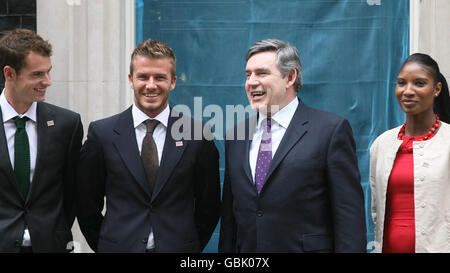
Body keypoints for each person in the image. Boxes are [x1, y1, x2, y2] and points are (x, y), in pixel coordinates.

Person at [219, 38, 367, 253]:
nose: (251, 82)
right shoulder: (236, 134)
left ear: (290, 77)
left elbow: (349, 219)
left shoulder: (330, 131)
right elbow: (230, 220)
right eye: (247, 75)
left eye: (261, 73)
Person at [76, 39, 221, 253]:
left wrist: (188, 245)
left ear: (172, 81)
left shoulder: (198, 135)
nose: (151, 85)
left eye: (160, 77)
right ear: (131, 80)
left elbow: (209, 206)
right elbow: (86, 202)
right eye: (143, 77)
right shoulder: (102, 134)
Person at [0, 29, 83, 253]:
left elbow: (72, 192)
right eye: (37, 74)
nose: (47, 82)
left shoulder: (68, 124)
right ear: (10, 74)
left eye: (48, 72)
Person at [370, 53, 450, 253]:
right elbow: (376, 211)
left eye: (419, 83)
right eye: (401, 83)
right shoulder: (382, 144)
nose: (408, 91)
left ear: (437, 89)